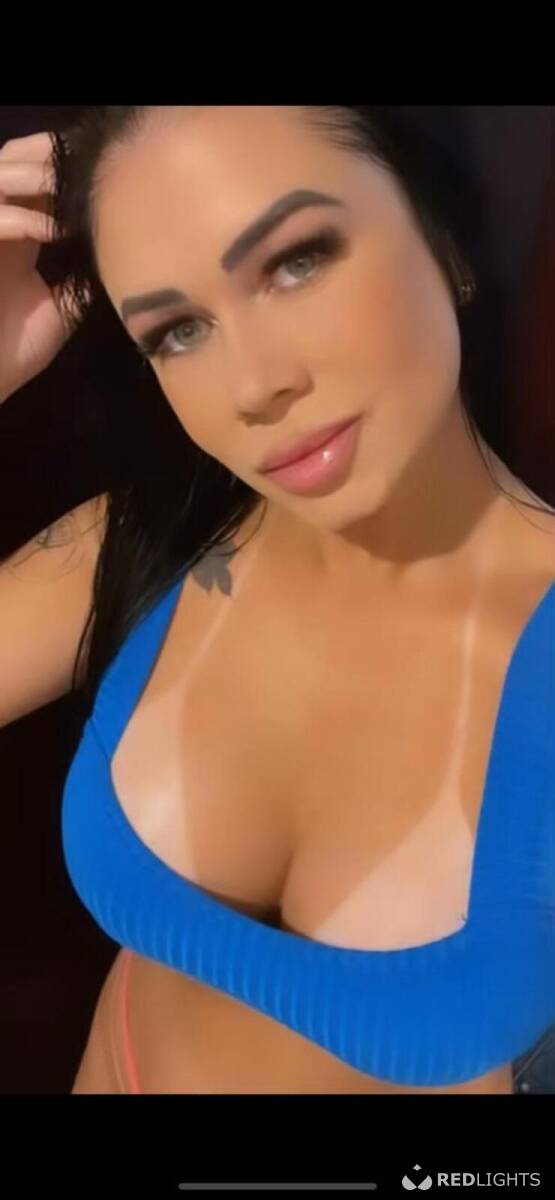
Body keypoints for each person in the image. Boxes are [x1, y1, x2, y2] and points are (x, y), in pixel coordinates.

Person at [0, 106, 553, 1095]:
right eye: (177, 331)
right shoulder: (140, 543)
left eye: (296, 262)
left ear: (443, 239)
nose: (253, 385)